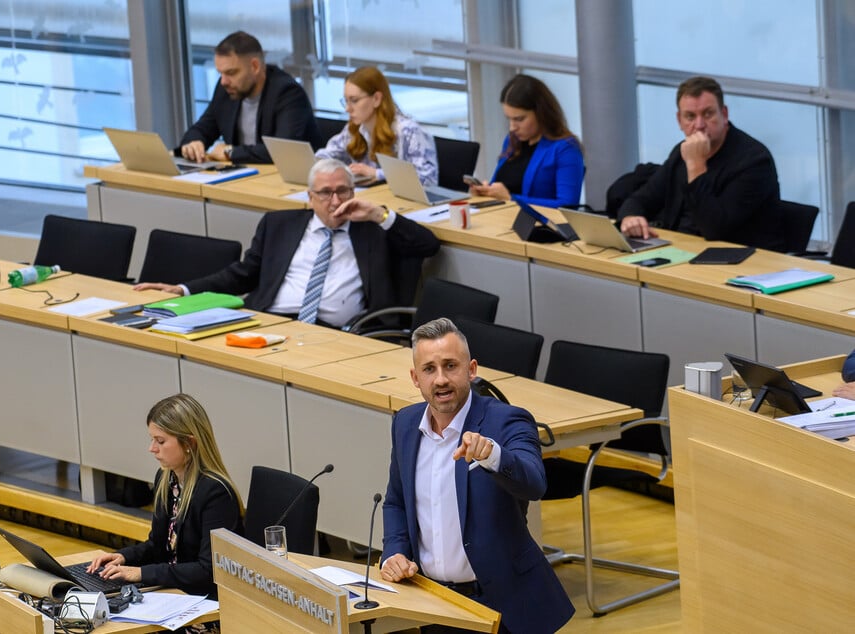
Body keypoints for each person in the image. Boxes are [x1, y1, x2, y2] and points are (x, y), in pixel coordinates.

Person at [380, 318, 575, 634]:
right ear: (415, 378)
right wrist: (395, 552)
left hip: (504, 608)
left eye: (450, 366)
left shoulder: (508, 420)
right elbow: (396, 502)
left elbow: (534, 484)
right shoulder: (405, 423)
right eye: (429, 369)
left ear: (471, 369)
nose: (441, 379)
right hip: (436, 605)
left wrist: (493, 456)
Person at [134, 159, 439, 328]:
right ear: (309, 197)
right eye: (325, 193)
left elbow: (427, 245)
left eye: (343, 191)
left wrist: (378, 213)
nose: (335, 201)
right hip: (269, 322)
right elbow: (243, 274)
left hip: (335, 332)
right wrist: (184, 290)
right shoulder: (279, 225)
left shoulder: (372, 229)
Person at [87, 394, 243, 599]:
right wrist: (124, 557)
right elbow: (157, 545)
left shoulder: (216, 493)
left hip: (203, 602)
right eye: (152, 439)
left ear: (189, 442)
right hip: (171, 592)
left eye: (160, 441)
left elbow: (208, 570)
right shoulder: (166, 478)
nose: (152, 448)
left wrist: (142, 573)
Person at [618, 76, 783, 250]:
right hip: (683, 250)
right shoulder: (681, 152)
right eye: (690, 116)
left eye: (708, 114)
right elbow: (642, 198)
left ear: (724, 114)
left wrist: (696, 165)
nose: (699, 125)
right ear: (679, 120)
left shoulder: (754, 161)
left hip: (739, 259)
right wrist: (630, 217)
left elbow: (714, 229)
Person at [176, 31, 321, 164]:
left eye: (231, 72)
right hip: (244, 177)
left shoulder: (287, 93)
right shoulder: (226, 90)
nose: (224, 81)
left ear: (255, 67)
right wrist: (193, 143)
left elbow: (283, 150)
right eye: (221, 73)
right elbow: (202, 128)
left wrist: (231, 152)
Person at [469, 74, 584, 209]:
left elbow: (567, 207)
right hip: (503, 220)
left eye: (519, 119)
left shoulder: (566, 149)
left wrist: (511, 199)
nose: (512, 127)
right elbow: (498, 185)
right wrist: (486, 192)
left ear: (541, 113)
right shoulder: (512, 140)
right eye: (509, 119)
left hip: (540, 228)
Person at [314, 66, 438, 185]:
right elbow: (328, 154)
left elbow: (428, 179)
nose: (347, 109)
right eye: (346, 101)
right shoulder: (355, 127)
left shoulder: (409, 131)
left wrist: (377, 174)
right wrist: (319, 163)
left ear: (376, 99)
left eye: (354, 100)